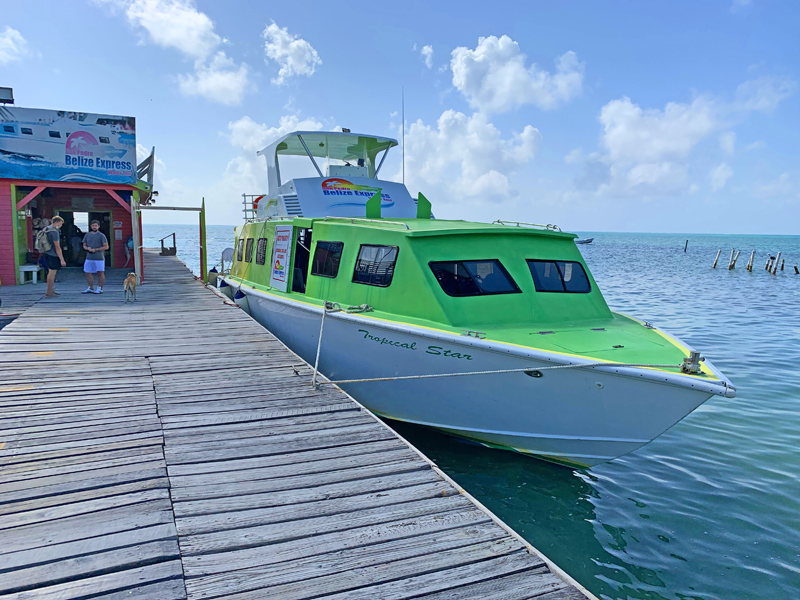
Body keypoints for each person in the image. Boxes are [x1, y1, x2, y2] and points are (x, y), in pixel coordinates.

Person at [82, 220, 109, 294]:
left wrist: (96, 250)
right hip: (89, 257)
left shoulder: (101, 235)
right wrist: (87, 248)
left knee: (100, 273)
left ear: (98, 226)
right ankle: (90, 287)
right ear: (91, 226)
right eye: (93, 225)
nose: (94, 227)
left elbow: (106, 246)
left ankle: (100, 288)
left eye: (96, 225)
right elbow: (84, 245)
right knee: (87, 272)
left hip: (99, 257)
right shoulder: (87, 235)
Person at [44, 216, 66, 298]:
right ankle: (49, 292)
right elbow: (57, 247)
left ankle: (50, 290)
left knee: (50, 272)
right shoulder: (54, 232)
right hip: (53, 254)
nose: (61, 226)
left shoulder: (46, 229)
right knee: (52, 273)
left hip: (47, 252)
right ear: (57, 222)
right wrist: (62, 259)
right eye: (60, 224)